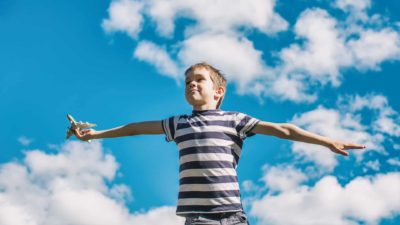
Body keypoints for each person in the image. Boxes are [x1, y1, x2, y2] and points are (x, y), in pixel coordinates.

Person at [73, 62, 366, 225]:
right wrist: (96, 135)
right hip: (198, 218)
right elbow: (134, 129)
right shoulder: (179, 124)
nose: (192, 84)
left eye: (199, 80)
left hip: (233, 217)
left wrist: (328, 141)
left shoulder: (234, 120)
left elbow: (282, 130)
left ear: (219, 91)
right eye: (188, 81)